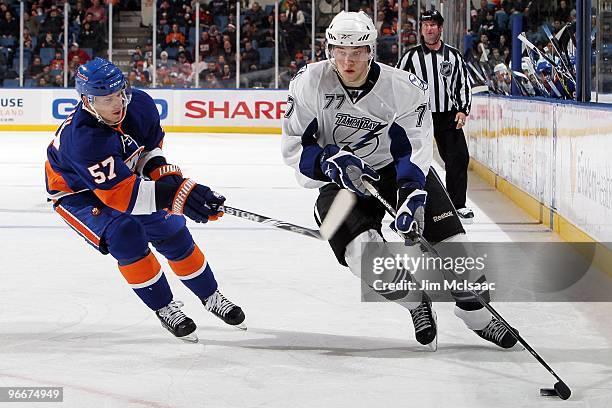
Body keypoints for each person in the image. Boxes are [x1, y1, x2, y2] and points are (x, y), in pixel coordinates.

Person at [281, 11, 517, 350]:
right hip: (341, 181)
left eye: (358, 51)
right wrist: (327, 161)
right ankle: (415, 301)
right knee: (365, 259)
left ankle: (478, 317)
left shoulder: (404, 88)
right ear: (329, 49)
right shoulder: (309, 82)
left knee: (459, 258)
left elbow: (416, 148)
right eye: (340, 51)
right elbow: (293, 145)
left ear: (371, 50)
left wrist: (411, 196)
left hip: (396, 171)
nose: (348, 61)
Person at [44, 58, 246, 342]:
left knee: (171, 229)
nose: (118, 104)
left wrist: (169, 180)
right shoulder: (84, 139)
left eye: (120, 93)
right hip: (77, 193)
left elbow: (148, 151)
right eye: (107, 99)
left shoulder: (139, 104)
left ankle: (210, 295)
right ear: (87, 100)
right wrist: (179, 195)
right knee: (126, 234)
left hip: (120, 179)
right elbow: (123, 197)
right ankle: (164, 307)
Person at [397, 10, 475, 223]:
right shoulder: (411, 56)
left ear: (440, 28)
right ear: (421, 30)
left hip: (448, 115)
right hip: (419, 116)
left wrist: (462, 109)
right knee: (411, 158)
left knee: (458, 158)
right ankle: (406, 201)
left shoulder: (453, 55)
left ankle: (457, 205)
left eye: (433, 25)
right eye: (425, 25)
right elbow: (396, 82)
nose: (429, 28)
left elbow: (463, 84)